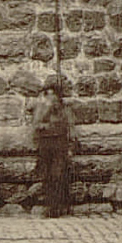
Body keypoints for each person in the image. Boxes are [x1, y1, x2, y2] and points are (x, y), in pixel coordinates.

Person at [32, 80, 74, 218]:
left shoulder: (64, 109)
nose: (51, 97)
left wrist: (70, 146)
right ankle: (50, 205)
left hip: (60, 144)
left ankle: (57, 206)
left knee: (58, 174)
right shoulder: (42, 108)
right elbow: (36, 125)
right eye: (48, 94)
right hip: (46, 144)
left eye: (53, 94)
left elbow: (70, 127)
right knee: (47, 175)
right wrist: (47, 110)